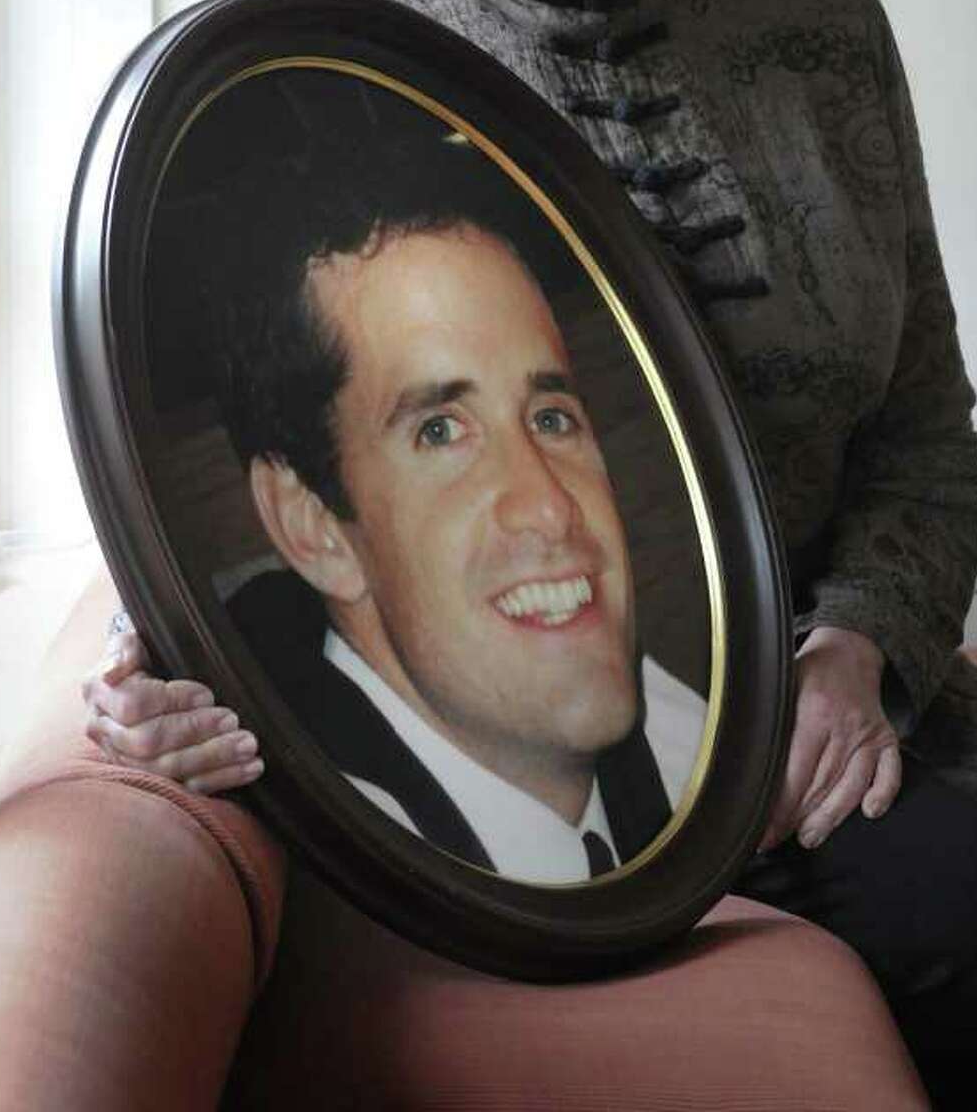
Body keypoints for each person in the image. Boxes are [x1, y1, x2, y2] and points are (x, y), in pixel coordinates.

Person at [85, 0, 977, 1109]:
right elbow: (245, 436)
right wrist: (163, 654)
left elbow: (925, 426)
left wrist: (858, 654)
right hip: (519, 743)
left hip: (814, 713)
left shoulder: (822, 26)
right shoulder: (340, 66)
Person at [193, 138, 706, 883]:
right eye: (440, 430)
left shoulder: (671, 730)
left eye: (552, 416)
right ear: (313, 526)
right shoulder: (305, 853)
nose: (551, 507)